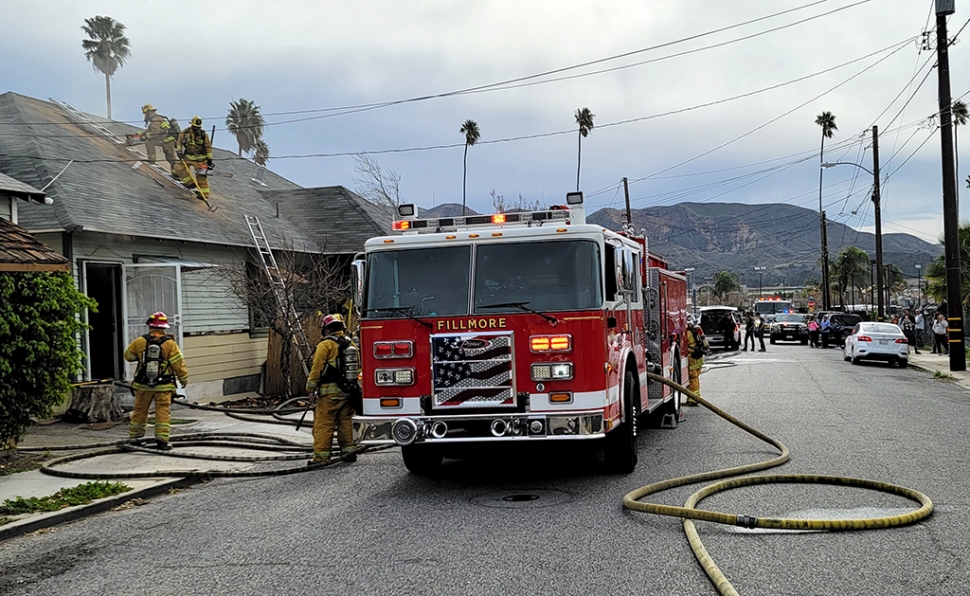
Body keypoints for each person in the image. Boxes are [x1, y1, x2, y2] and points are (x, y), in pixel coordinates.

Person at [123, 312, 188, 450]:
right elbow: (178, 364)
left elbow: (128, 356)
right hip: (163, 386)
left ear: (150, 326)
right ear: (164, 328)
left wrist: (141, 357)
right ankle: (162, 441)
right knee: (162, 412)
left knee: (140, 411)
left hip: (143, 385)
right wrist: (183, 379)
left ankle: (135, 439)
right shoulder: (170, 344)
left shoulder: (140, 341)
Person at [306, 314, 361, 464]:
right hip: (348, 392)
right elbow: (358, 368)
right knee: (346, 422)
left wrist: (310, 389)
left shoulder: (325, 345)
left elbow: (316, 369)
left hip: (328, 396)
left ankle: (321, 458)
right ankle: (349, 452)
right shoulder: (352, 345)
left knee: (324, 424)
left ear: (326, 329)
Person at [173, 116, 214, 200]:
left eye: (198, 127)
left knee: (201, 176)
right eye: (195, 127)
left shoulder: (203, 135)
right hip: (188, 157)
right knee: (178, 167)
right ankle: (190, 183)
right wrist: (179, 152)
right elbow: (179, 143)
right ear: (192, 125)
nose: (197, 129)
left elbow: (208, 147)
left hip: (201, 159)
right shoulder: (185, 132)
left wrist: (209, 160)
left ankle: (204, 194)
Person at [140, 103, 178, 171]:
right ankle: (152, 159)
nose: (145, 116)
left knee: (171, 158)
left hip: (168, 140)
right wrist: (140, 134)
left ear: (149, 112)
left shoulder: (156, 119)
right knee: (170, 157)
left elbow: (155, 132)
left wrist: (146, 136)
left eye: (146, 114)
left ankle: (176, 173)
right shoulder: (155, 119)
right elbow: (149, 130)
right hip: (164, 139)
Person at [685, 320, 708, 405]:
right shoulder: (694, 330)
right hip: (698, 358)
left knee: (692, 378)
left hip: (692, 358)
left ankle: (693, 399)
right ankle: (695, 396)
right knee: (695, 378)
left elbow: (685, 345)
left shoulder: (687, 332)